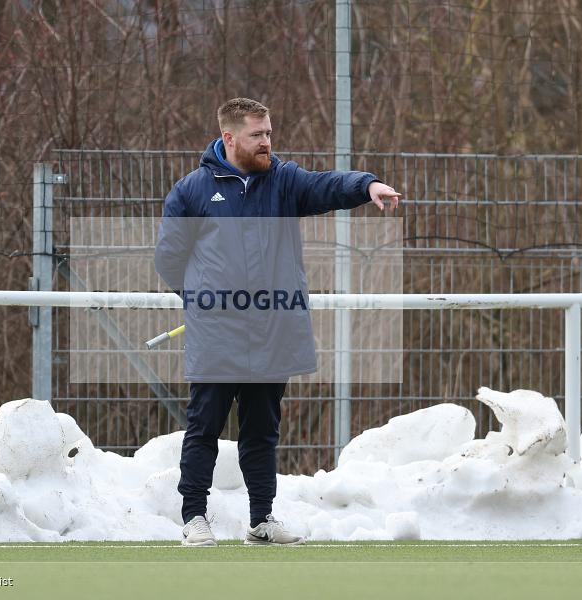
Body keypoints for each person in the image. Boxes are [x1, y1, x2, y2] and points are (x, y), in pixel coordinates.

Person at [154, 98, 401, 546]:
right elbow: (170, 260)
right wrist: (205, 301)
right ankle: (193, 518)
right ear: (230, 138)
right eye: (257, 135)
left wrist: (367, 186)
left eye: (269, 133)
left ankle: (262, 521)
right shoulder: (190, 191)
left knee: (261, 431)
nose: (267, 142)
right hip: (216, 336)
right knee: (204, 427)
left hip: (272, 332)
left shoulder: (284, 181)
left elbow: (327, 185)